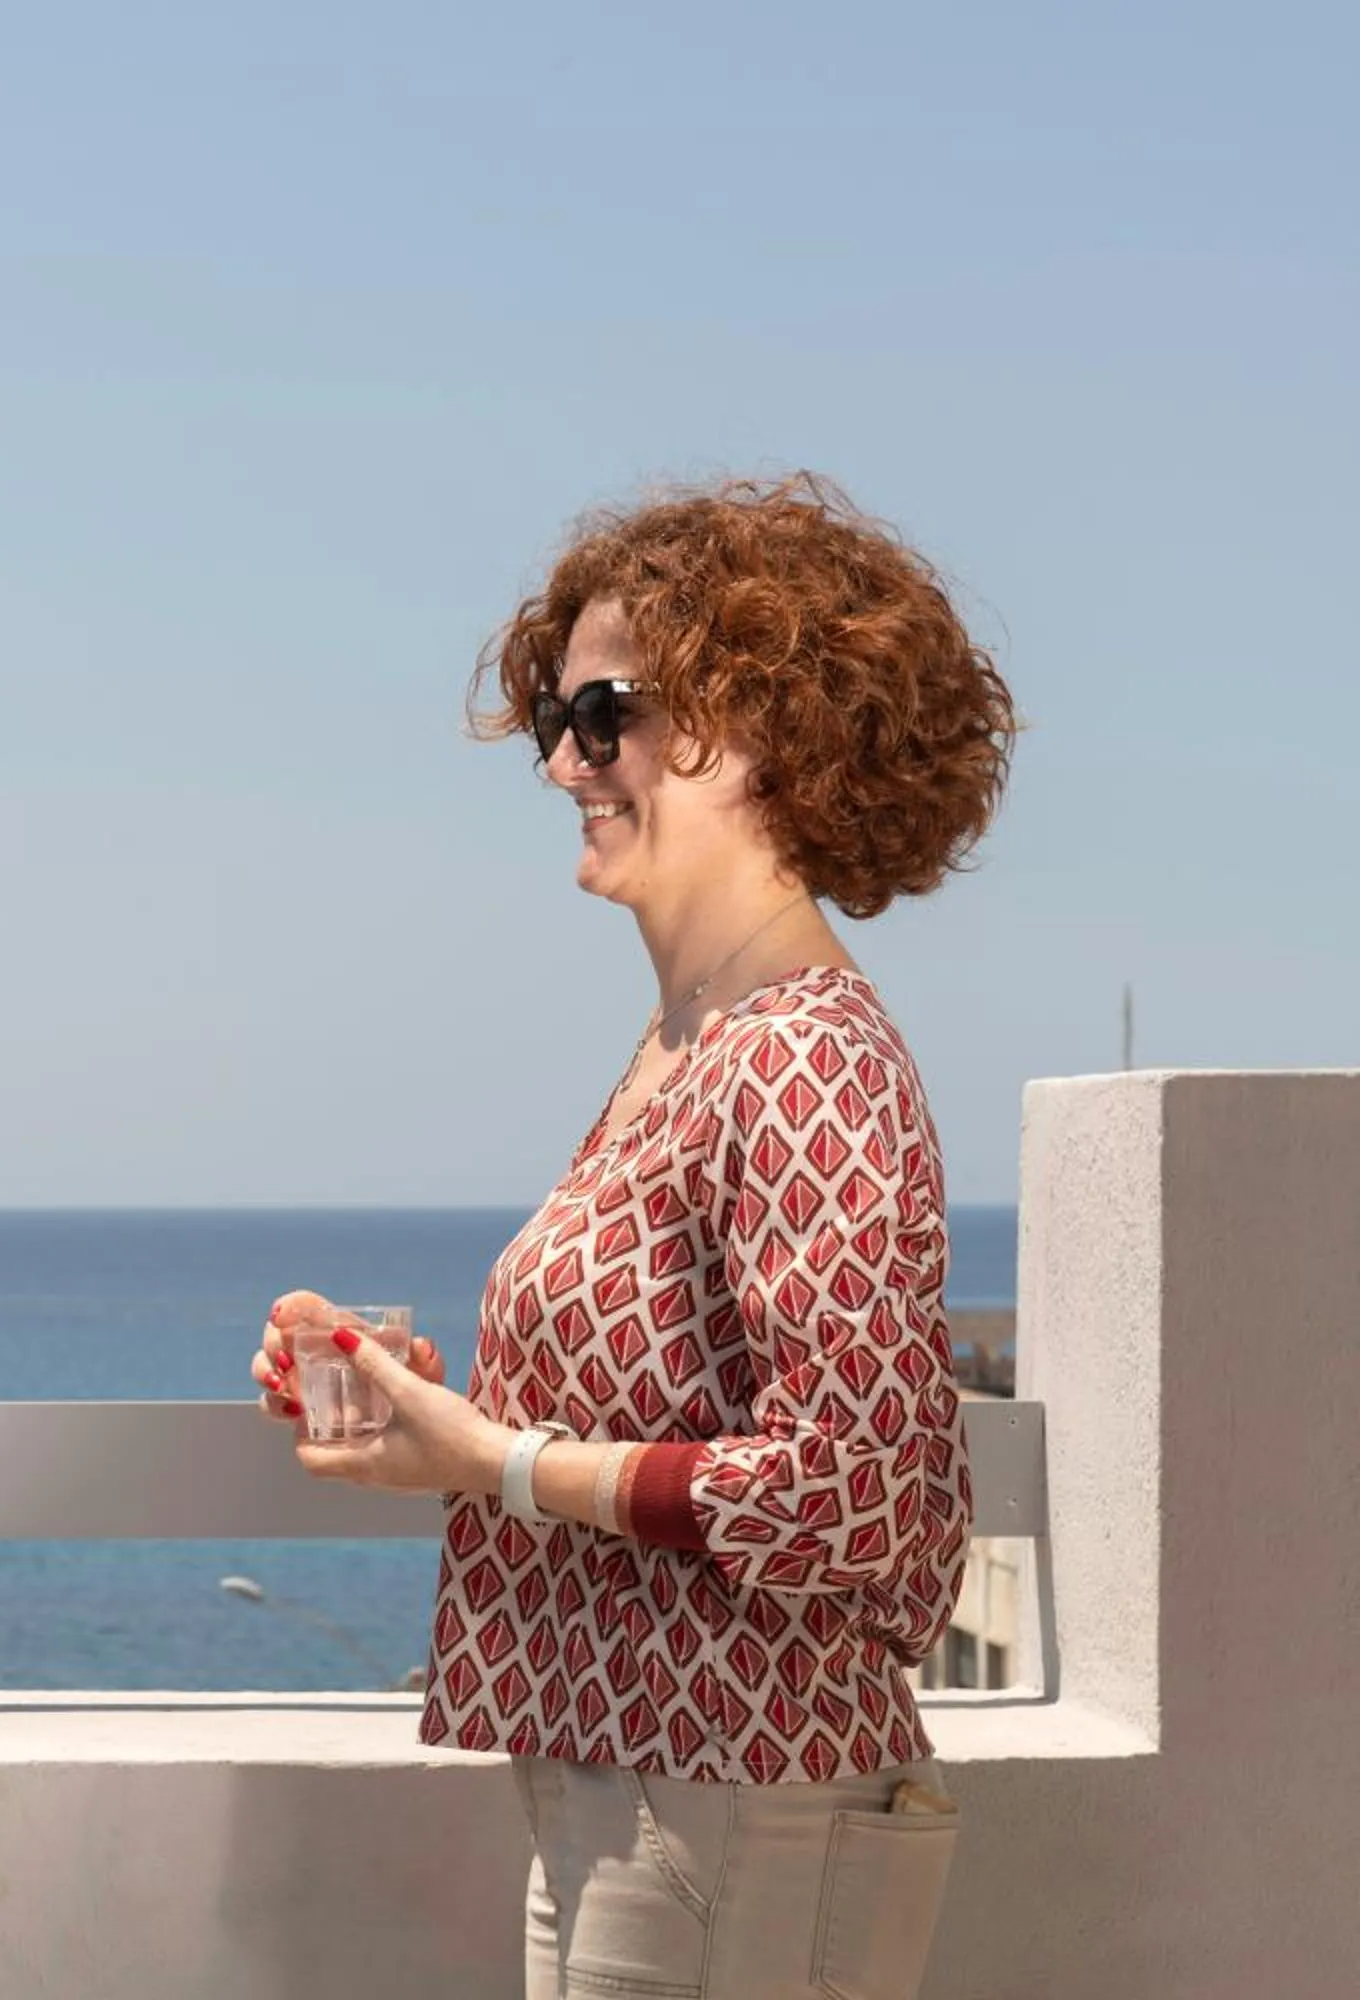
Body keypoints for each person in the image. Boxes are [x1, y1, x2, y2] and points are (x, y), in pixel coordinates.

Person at [252, 475, 1016, 1999]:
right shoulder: (696, 1038)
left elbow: (848, 1491)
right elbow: (679, 1410)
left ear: (762, 728)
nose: (560, 763)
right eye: (557, 717)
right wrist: (430, 1417)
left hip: (734, 1817)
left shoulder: (804, 1059)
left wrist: (498, 1464)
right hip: (647, 1801)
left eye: (603, 715)